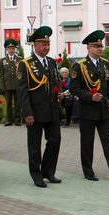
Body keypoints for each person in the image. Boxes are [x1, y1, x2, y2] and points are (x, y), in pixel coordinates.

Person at [69, 30, 109, 181]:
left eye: (101, 46)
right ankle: (88, 171)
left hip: (103, 110)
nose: (100, 48)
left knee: (108, 140)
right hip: (87, 110)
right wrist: (90, 96)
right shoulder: (80, 66)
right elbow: (74, 88)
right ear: (88, 48)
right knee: (87, 143)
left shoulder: (104, 64)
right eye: (96, 46)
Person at [16, 26, 64, 188]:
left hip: (51, 109)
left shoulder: (51, 62)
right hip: (35, 111)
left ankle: (48, 171)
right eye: (44, 44)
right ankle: (36, 174)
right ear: (35, 45)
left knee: (55, 140)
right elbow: (22, 91)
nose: (47, 47)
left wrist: (60, 93)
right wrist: (27, 113)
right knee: (35, 144)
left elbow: (54, 82)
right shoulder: (26, 64)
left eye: (48, 44)